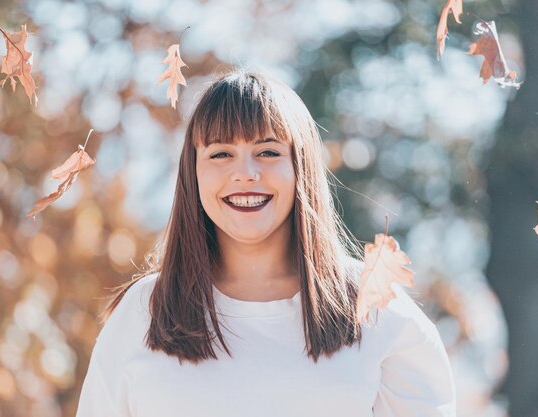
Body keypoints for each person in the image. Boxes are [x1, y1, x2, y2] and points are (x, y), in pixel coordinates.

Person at [75, 71, 456, 417]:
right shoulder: (146, 311)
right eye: (221, 153)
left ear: (300, 168)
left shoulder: (375, 308)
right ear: (193, 172)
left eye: (268, 152)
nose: (245, 173)